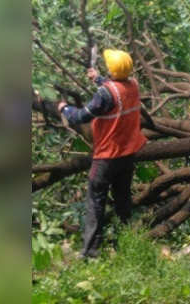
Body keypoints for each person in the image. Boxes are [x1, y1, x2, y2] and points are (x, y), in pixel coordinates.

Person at [57, 49, 147, 258]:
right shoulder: (133, 85)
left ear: (112, 70)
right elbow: (116, 94)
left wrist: (64, 109)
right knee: (123, 200)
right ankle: (126, 245)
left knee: (96, 202)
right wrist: (97, 79)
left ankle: (90, 253)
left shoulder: (105, 94)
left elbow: (81, 116)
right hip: (127, 154)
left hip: (107, 157)